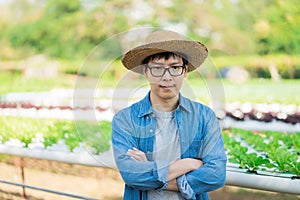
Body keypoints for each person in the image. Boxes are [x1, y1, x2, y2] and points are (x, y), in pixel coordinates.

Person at [111, 30, 227, 200]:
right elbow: (132, 175)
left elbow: (216, 175)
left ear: (185, 71)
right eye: (157, 68)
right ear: (146, 72)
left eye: (175, 68)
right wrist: (189, 164)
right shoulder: (125, 120)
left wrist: (150, 169)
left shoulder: (204, 116)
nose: (167, 77)